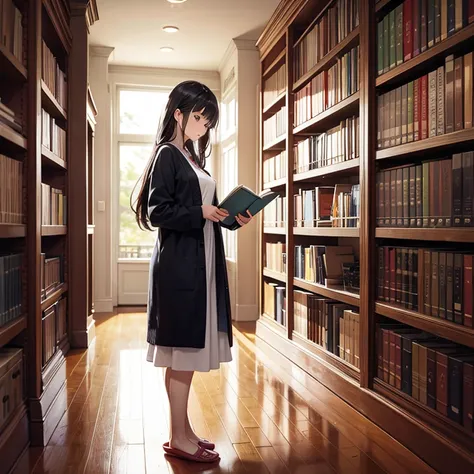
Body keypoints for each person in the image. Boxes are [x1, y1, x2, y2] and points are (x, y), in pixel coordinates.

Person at [131, 80, 252, 463]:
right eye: (198, 117)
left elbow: (208, 214)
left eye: (208, 121)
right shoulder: (168, 154)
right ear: (178, 114)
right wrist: (200, 213)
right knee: (182, 353)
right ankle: (179, 439)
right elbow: (157, 213)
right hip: (180, 266)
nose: (202, 126)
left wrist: (232, 218)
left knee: (183, 354)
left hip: (199, 261)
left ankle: (180, 433)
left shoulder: (192, 158)